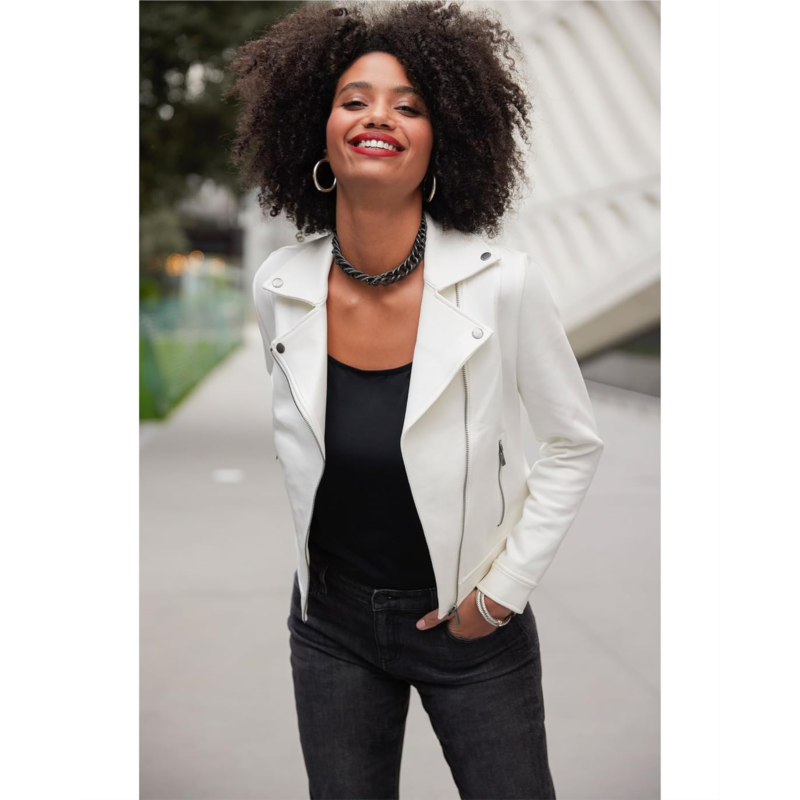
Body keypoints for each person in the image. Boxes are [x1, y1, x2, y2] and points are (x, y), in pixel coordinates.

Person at [226, 2, 604, 798]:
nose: (379, 117)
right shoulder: (280, 286)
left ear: (442, 144)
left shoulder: (503, 284)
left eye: (409, 106)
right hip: (329, 628)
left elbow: (573, 442)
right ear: (318, 132)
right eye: (354, 99)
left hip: (470, 629)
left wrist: (500, 594)